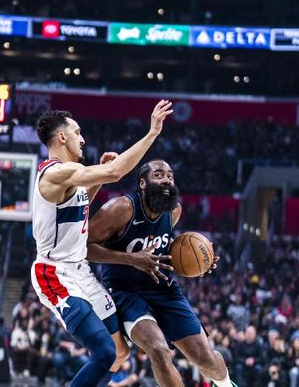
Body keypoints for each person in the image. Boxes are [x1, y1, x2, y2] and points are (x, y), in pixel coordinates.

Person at [31, 101, 172, 387]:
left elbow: (78, 207)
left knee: (121, 352)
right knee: (105, 352)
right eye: (77, 132)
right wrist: (152, 133)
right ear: (62, 137)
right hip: (54, 273)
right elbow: (116, 173)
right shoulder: (55, 173)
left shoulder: (69, 177)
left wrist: (96, 183)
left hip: (80, 270)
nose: (82, 139)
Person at [87, 159, 232, 387]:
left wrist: (200, 262)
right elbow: (82, 247)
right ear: (143, 183)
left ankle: (225, 384)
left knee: (206, 358)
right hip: (126, 294)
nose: (167, 180)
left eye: (171, 176)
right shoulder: (121, 209)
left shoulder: (173, 211)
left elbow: (162, 248)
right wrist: (130, 259)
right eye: (159, 175)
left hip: (164, 290)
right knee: (158, 349)